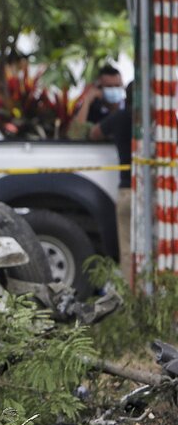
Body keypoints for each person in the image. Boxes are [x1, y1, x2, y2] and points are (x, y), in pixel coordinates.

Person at [90, 81, 134, 288]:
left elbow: (94, 133)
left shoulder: (120, 117)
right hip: (158, 194)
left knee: (127, 250)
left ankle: (131, 295)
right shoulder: (162, 120)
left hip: (127, 191)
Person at [69, 64, 126, 138]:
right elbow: (76, 134)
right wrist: (87, 101)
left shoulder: (129, 108)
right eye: (109, 86)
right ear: (99, 87)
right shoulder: (90, 109)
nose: (114, 90)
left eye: (117, 86)